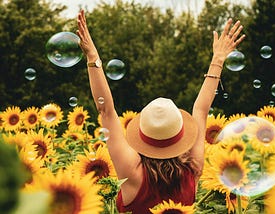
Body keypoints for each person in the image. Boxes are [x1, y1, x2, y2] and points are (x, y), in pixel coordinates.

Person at [77, 9, 245, 214]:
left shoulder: (132, 173)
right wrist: (218, 59)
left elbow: (106, 111)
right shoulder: (193, 169)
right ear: (180, 134)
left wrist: (93, 56)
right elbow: (201, 111)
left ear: (143, 135)